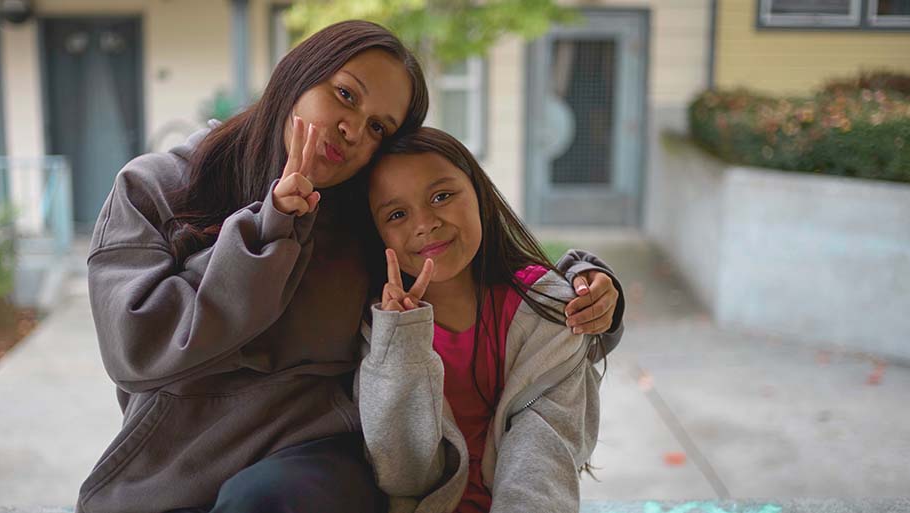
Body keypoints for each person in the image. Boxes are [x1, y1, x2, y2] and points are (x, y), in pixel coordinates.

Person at [78, 20, 624, 513]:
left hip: (313, 459)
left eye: (378, 128)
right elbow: (136, 349)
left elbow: (467, 260)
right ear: (297, 74)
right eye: (344, 95)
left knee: (263, 500)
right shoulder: (156, 187)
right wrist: (266, 231)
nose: (352, 131)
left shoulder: (359, 213)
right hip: (173, 462)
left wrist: (585, 285)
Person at [359, 127, 609, 513]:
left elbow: (545, 456)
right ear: (378, 235)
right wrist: (400, 344)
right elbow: (405, 476)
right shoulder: (379, 329)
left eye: (441, 196)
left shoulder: (549, 310)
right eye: (397, 214)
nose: (424, 223)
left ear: (479, 193)